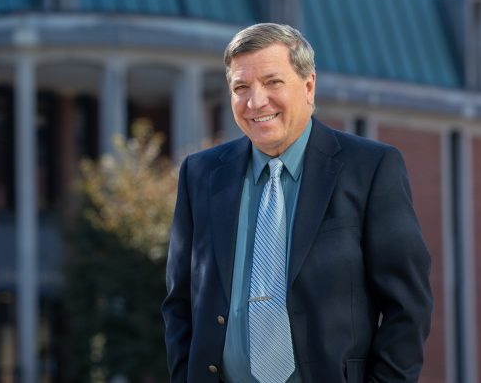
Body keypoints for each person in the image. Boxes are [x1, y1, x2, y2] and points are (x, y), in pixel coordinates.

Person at [162, 23, 432, 382]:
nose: (255, 102)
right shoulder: (201, 174)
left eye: (272, 82)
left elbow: (407, 307)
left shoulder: (369, 169)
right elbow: (180, 302)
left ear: (308, 86)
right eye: (241, 87)